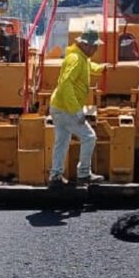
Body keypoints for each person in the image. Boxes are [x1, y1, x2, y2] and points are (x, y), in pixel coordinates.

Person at [48, 27, 107, 188]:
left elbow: (89, 67)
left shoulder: (81, 57)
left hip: (58, 106)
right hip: (66, 108)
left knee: (62, 142)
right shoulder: (75, 59)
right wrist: (76, 111)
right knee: (89, 137)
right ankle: (84, 174)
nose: (96, 50)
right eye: (94, 47)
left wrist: (102, 68)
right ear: (86, 45)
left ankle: (55, 177)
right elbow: (65, 84)